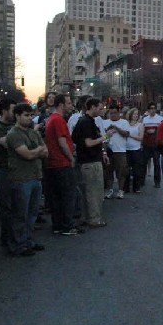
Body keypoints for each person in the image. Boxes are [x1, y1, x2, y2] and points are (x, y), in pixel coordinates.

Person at [7, 103, 49, 256]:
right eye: (26, 115)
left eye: (31, 115)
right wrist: (37, 151)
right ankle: (18, 244)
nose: (29, 118)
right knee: (20, 214)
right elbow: (27, 154)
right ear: (17, 116)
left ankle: (28, 241)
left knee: (32, 213)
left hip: (36, 176)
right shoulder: (13, 134)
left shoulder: (33, 133)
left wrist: (36, 151)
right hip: (21, 178)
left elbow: (45, 152)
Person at [44, 94, 82, 236]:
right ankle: (67, 225)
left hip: (54, 164)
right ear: (61, 105)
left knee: (57, 197)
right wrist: (70, 157)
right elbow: (62, 142)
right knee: (68, 195)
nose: (71, 105)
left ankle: (58, 224)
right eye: (69, 103)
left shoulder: (51, 119)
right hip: (61, 163)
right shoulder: (58, 120)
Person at [72, 98, 110, 228]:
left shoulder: (83, 121)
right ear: (92, 107)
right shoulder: (87, 122)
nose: (102, 110)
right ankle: (94, 219)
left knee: (88, 191)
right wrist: (105, 136)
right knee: (94, 191)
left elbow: (76, 139)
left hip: (87, 160)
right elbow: (89, 143)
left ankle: (86, 217)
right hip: (90, 161)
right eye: (100, 108)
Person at [0, 99, 16, 248]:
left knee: (18, 206)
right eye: (13, 110)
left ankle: (19, 238)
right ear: (5, 111)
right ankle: (7, 240)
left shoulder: (15, 127)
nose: (15, 114)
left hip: (18, 170)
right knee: (6, 208)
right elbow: (8, 144)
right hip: (3, 171)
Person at [103, 103, 130, 199]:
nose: (113, 115)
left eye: (115, 113)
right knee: (108, 171)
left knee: (121, 172)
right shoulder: (104, 122)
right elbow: (103, 138)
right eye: (111, 113)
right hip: (109, 150)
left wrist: (116, 128)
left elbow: (126, 134)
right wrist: (104, 151)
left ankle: (120, 190)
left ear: (119, 113)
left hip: (121, 150)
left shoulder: (124, 122)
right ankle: (110, 190)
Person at [142, 102, 163, 188]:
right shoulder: (145, 119)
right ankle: (142, 181)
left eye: (154, 108)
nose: (153, 110)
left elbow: (162, 132)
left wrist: (155, 132)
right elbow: (142, 131)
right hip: (146, 144)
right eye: (151, 108)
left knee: (157, 164)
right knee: (143, 164)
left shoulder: (160, 119)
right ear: (148, 110)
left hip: (156, 145)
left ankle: (157, 181)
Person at [125, 108, 144, 193]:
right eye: (134, 114)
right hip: (126, 149)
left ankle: (136, 187)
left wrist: (130, 135)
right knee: (126, 170)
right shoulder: (126, 124)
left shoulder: (140, 125)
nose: (136, 116)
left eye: (137, 114)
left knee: (136, 170)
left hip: (136, 150)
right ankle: (125, 187)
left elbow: (140, 138)